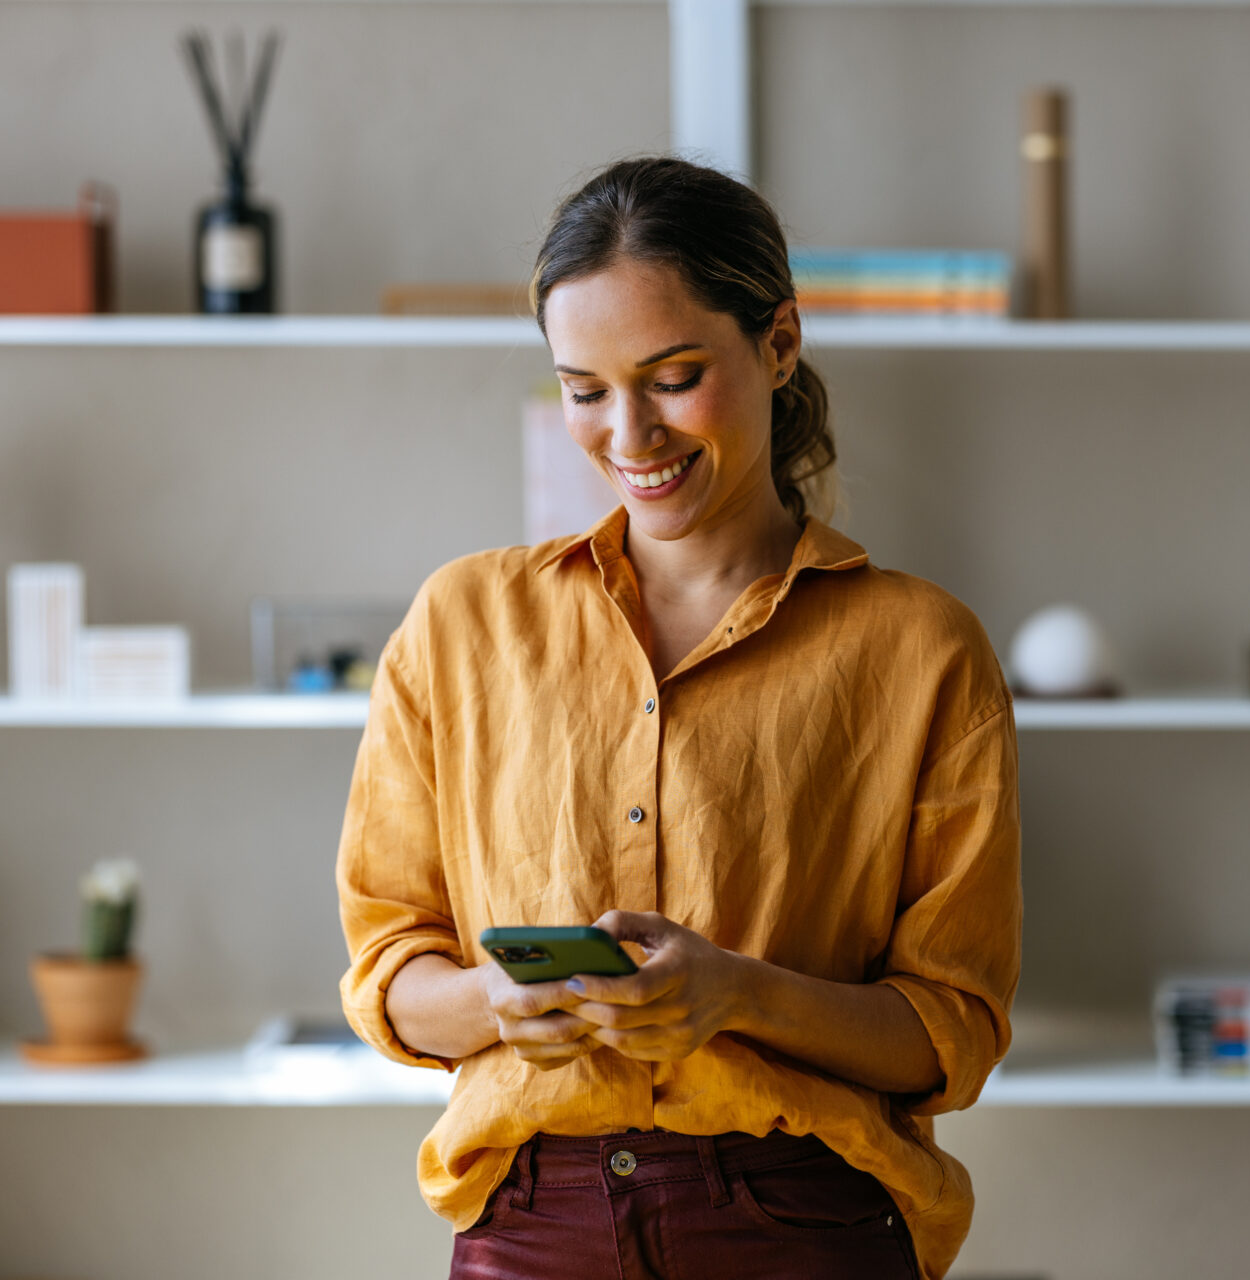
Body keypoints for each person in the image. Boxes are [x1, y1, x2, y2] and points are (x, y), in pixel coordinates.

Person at [335, 155, 1022, 1280]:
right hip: (527, 1224)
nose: (629, 434)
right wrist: (495, 1001)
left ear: (780, 344)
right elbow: (389, 969)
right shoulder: (461, 623)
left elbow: (949, 1029)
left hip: (800, 1222)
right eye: (585, 388)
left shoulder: (923, 648)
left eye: (673, 375)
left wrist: (738, 994)